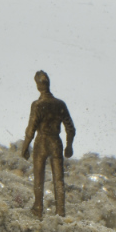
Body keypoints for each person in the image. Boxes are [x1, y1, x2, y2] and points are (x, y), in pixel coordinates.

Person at [20, 70, 76, 218]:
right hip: (56, 142)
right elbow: (70, 128)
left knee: (39, 177)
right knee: (59, 179)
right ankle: (60, 211)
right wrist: (69, 146)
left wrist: (24, 147)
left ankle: (38, 208)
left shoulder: (37, 105)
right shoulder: (60, 104)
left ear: (38, 85)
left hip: (42, 142)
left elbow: (30, 130)